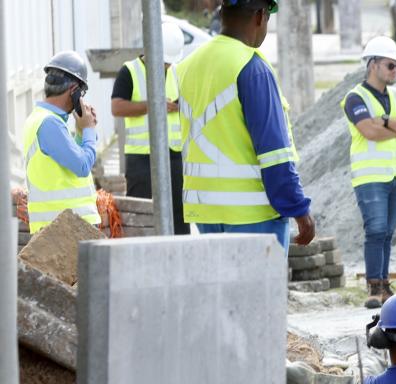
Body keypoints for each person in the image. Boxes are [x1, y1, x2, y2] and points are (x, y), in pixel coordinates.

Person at [175, 0, 315, 250]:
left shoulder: (188, 66)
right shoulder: (252, 67)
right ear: (260, 16)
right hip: (253, 215)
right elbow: (274, 154)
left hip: (205, 211)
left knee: (220, 289)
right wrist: (298, 209)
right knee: (258, 291)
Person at [342, 36, 396, 309]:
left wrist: (385, 121)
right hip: (369, 176)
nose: (395, 71)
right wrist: (394, 127)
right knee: (375, 230)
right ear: (373, 64)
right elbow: (368, 131)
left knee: (386, 232)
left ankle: (384, 284)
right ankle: (374, 286)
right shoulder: (355, 97)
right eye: (390, 65)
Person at [111, 22, 189, 234]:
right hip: (142, 160)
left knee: (180, 218)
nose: (166, 66)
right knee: (143, 217)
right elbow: (117, 107)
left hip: (173, 157)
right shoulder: (130, 71)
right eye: (164, 61)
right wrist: (153, 105)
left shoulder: (175, 72)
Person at [21, 51, 101, 233]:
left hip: (60, 227)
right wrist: (89, 129)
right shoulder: (50, 124)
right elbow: (82, 166)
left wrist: (81, 132)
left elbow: (69, 164)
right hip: (64, 230)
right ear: (74, 91)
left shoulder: (40, 119)